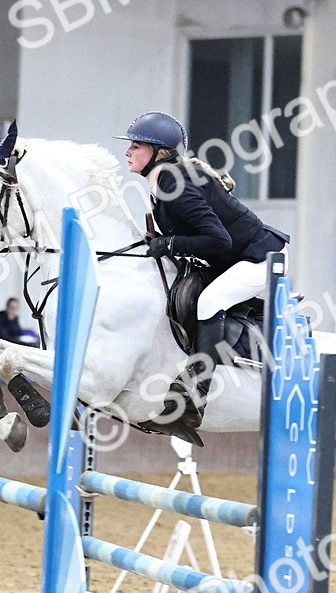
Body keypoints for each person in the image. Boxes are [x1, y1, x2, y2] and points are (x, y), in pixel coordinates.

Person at [118, 111, 290, 428]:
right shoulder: (162, 181)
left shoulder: (175, 182)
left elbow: (218, 239)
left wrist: (170, 244)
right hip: (231, 259)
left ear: (158, 153)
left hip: (258, 258)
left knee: (210, 302)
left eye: (137, 145)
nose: (128, 151)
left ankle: (195, 394)